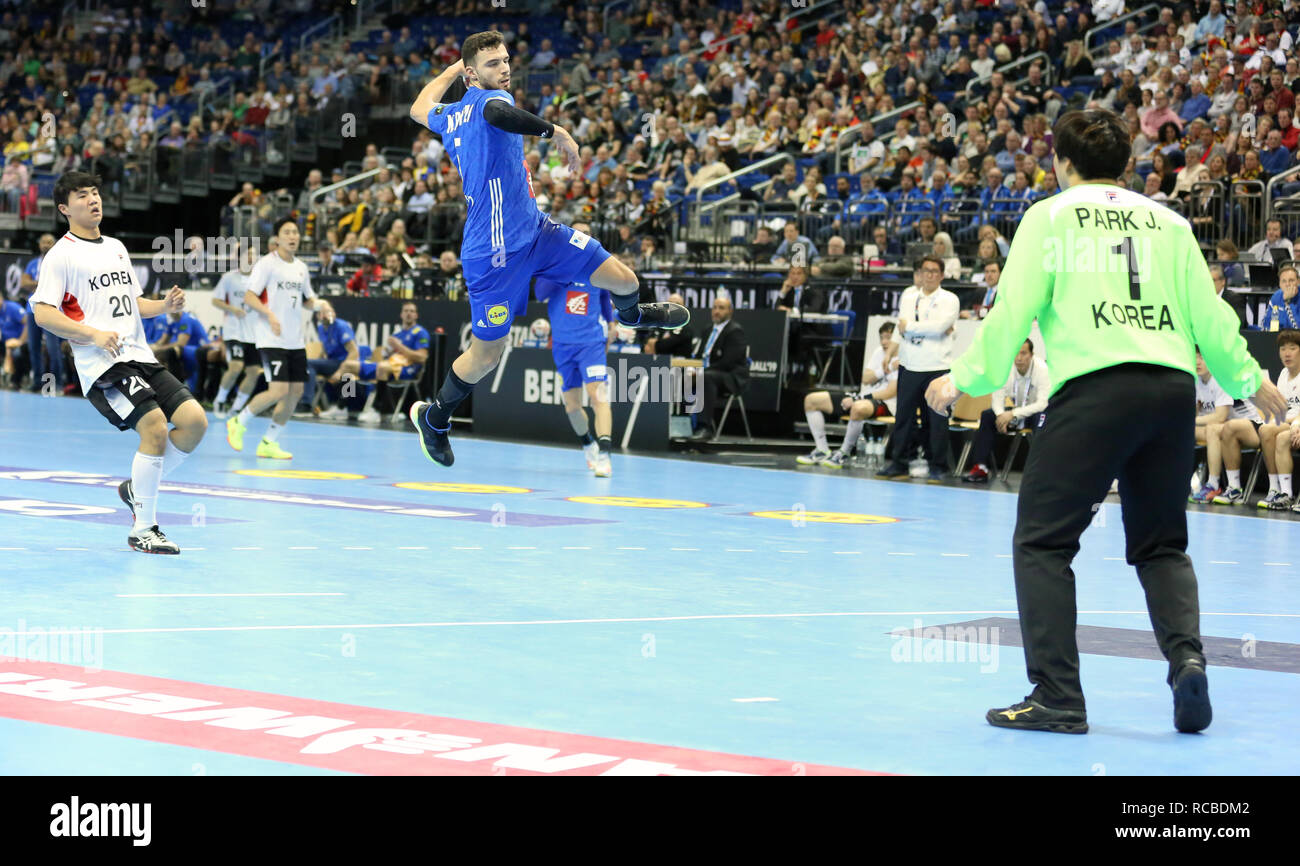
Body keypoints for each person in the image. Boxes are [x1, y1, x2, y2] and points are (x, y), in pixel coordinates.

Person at [925, 109, 1287, 734]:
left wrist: (962, 380)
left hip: (1094, 391)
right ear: (1124, 164)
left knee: (1043, 542)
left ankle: (1058, 697)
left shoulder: (1050, 217)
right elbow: (1210, 317)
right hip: (1170, 393)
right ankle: (1187, 661)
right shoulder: (1170, 223)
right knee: (1161, 543)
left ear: (1063, 164)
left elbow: (1012, 315)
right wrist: (1250, 379)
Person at [405, 31, 688, 468]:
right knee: (486, 354)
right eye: (493, 64)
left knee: (625, 280)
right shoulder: (484, 103)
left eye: (505, 60)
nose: (505, 69)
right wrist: (554, 130)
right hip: (493, 256)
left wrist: (448, 73)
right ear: (472, 75)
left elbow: (418, 107)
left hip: (538, 234)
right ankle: (436, 419)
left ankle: (632, 317)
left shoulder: (450, 113)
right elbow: (501, 113)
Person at [29, 171, 210, 554]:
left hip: (140, 355)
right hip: (104, 364)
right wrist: (92, 334)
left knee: (195, 423)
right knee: (156, 428)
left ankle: (135, 488)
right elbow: (43, 313)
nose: (93, 199)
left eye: (95, 192)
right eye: (82, 195)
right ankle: (143, 528)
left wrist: (164, 306)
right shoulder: (61, 255)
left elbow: (133, 304)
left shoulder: (116, 247)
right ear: (64, 208)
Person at [225, 217, 318, 459]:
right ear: (276, 238)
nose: (293, 236)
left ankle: (269, 442)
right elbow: (249, 296)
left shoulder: (301, 267)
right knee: (277, 391)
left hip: (294, 341)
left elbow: (308, 299)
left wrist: (322, 307)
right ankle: (238, 420)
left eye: (295, 232)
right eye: (287, 232)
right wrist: (270, 315)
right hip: (271, 338)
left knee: (296, 392)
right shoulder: (267, 264)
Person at [533, 222, 617, 476]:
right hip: (562, 345)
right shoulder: (553, 267)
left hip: (591, 343)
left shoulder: (598, 267)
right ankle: (588, 445)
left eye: (587, 234)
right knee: (571, 406)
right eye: (577, 233)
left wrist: (611, 323)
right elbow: (539, 294)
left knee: (598, 396)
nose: (582, 237)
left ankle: (604, 455)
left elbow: (604, 298)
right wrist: (563, 267)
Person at [875, 257, 959, 481]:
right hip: (909, 365)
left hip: (938, 367)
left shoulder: (949, 299)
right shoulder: (908, 295)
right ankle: (899, 463)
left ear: (941, 275)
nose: (929, 275)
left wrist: (910, 328)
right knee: (903, 418)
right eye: (925, 271)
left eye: (934, 271)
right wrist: (891, 351)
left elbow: (939, 327)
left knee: (937, 419)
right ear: (920, 274)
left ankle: (939, 466)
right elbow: (900, 327)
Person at [798, 321, 899, 468]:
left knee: (858, 408)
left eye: (888, 337)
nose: (884, 342)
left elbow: (889, 392)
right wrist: (885, 368)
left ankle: (844, 453)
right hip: (863, 397)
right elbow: (866, 378)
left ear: (897, 338)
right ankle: (822, 449)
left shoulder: (903, 358)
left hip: (886, 403)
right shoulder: (879, 352)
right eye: (882, 338)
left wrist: (860, 398)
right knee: (811, 400)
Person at [961, 339, 1050, 483]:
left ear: (1031, 354)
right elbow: (997, 399)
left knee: (1042, 417)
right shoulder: (1005, 368)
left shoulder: (1042, 369)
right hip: (1014, 412)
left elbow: (1042, 404)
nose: (1019, 358)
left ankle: (1041, 470)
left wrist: (1013, 414)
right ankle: (980, 467)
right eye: (1016, 353)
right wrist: (1000, 416)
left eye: (1023, 353)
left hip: (1034, 411)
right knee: (987, 415)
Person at [211, 239, 262, 419]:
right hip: (234, 331)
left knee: (254, 372)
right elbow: (215, 300)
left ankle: (236, 407)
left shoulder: (260, 280)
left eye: (253, 255)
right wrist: (232, 309)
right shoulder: (229, 278)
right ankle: (220, 400)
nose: (251, 258)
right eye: (248, 255)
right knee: (236, 367)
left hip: (254, 335)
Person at [688, 293, 748, 441]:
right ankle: (679, 425)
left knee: (706, 377)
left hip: (730, 377)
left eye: (721, 308)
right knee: (680, 376)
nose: (716, 311)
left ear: (730, 311)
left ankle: (704, 427)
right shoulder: (707, 330)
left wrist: (702, 371)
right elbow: (701, 354)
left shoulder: (735, 331)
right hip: (709, 373)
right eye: (714, 307)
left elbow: (728, 363)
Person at [1255, 330, 1300, 511]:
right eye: (1283, 349)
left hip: (1296, 423)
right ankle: (1279, 490)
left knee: (1281, 437)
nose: (1287, 353)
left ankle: (1286, 492)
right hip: (1291, 422)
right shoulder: (1283, 374)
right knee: (1266, 430)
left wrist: (1297, 424)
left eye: (1292, 348)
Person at [1261, 264, 1300, 332]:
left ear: (1298, 281)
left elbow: (1297, 328)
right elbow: (1266, 326)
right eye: (1284, 281)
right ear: (1279, 284)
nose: (1287, 284)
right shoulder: (1276, 297)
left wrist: (1287, 302)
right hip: (1279, 337)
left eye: (1291, 280)